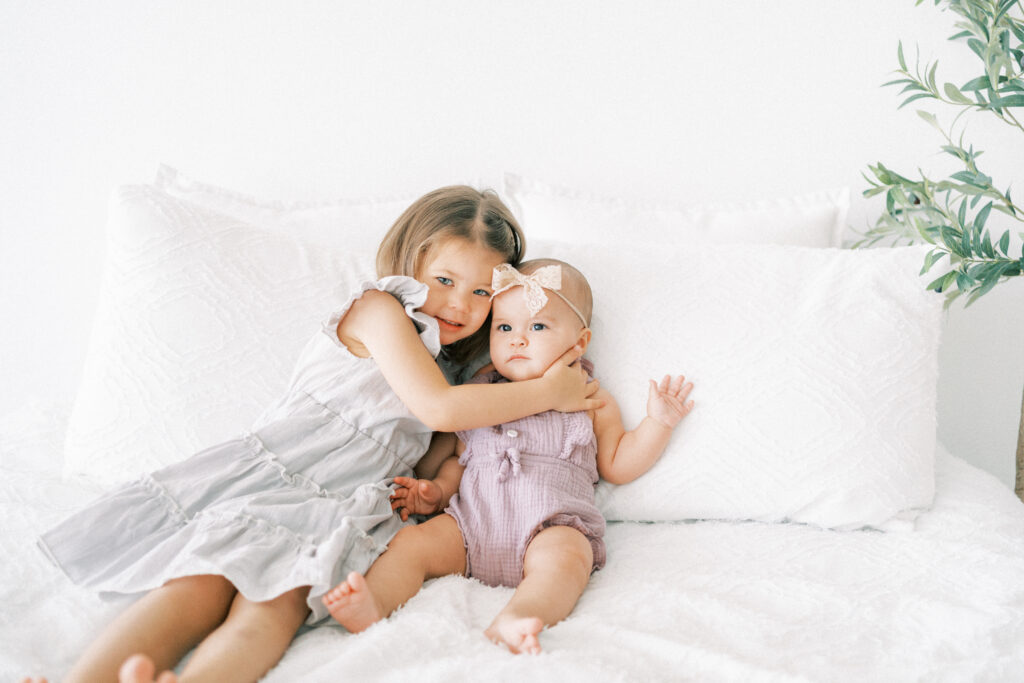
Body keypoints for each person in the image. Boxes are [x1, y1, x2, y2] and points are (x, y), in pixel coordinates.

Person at [25, 189, 602, 683]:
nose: (459, 303)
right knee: (200, 584)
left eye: (482, 294)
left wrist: (429, 491)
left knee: (271, 609)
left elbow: (437, 453)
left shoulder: (462, 373)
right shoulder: (380, 311)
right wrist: (551, 391)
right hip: (285, 474)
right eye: (445, 280)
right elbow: (438, 408)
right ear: (410, 262)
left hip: (341, 509)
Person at [322, 258, 695, 654]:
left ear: (579, 342)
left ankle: (521, 615)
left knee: (567, 561)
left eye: (537, 326)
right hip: (469, 528)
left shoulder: (591, 398)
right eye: (504, 327)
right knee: (412, 544)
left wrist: (658, 424)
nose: (517, 339)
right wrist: (435, 492)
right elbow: (457, 459)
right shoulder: (479, 394)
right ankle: (374, 601)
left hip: (550, 527)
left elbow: (618, 463)